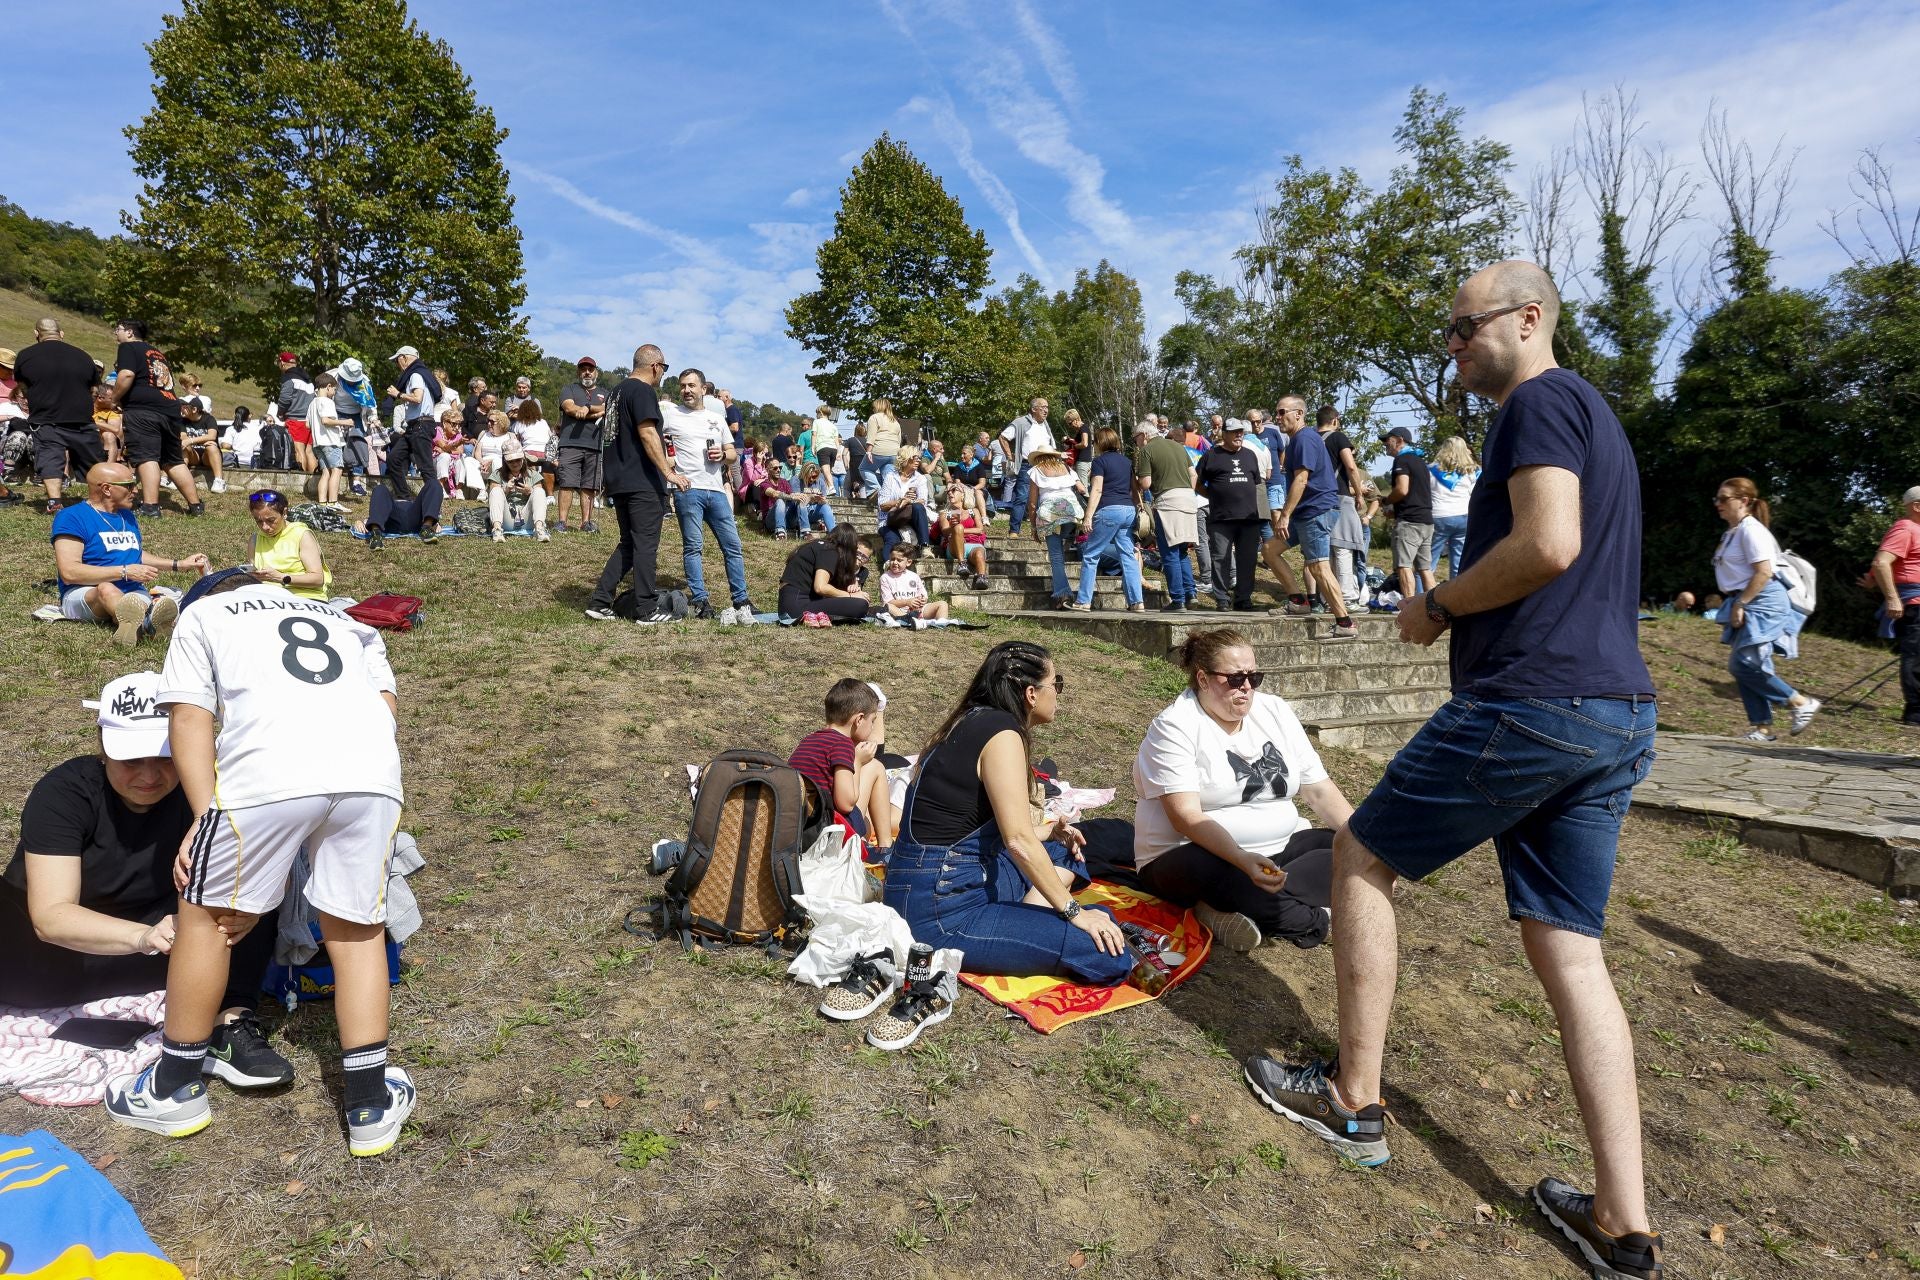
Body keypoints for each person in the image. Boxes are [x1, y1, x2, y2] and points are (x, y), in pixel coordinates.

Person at [1246, 261, 1666, 1280]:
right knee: (1570, 947)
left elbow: (1550, 544)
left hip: (1533, 701)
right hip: (1617, 712)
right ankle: (1622, 1220)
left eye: (1463, 327)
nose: (1453, 346)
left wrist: (1436, 604)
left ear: (1528, 319)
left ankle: (1352, 1099)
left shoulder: (1538, 402)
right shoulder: (1597, 417)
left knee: (1359, 853)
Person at [107, 570, 414, 1157]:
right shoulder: (345, 621)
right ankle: (370, 1101)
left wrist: (203, 817)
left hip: (267, 773)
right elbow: (384, 706)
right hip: (371, 773)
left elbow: (190, 717)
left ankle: (173, 1087)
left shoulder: (202, 614)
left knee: (205, 919)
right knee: (357, 930)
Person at [0, 673, 291, 1088]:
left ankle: (229, 1022)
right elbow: (51, 917)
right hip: (47, 962)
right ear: (102, 748)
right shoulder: (66, 793)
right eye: (131, 760)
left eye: (166, 758)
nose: (149, 776)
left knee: (243, 899)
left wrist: (246, 910)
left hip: (157, 949)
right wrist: (145, 937)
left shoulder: (207, 790)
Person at [882, 642, 1130, 984]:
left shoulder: (970, 722)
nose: (1058, 694)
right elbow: (1017, 841)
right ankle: (1026, 929)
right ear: (1031, 693)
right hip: (941, 910)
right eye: (1056, 685)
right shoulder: (1002, 735)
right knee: (1106, 953)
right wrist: (1075, 913)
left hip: (940, 880)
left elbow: (985, 830)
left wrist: (1049, 832)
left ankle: (1023, 927)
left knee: (1064, 848)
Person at [1132, 628, 1347, 951]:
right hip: (1193, 854)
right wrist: (1242, 859)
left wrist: (1366, 843)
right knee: (1220, 874)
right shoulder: (1175, 725)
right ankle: (1318, 919)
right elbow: (1186, 818)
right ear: (1203, 679)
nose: (1246, 687)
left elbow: (1319, 791)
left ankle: (1226, 907)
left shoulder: (1274, 711)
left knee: (1347, 847)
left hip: (1277, 848)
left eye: (1253, 677)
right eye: (1234, 679)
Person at [1711, 477, 1820, 741]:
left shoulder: (1751, 530)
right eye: (1716, 499)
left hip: (1762, 600)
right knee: (1751, 662)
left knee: (1743, 664)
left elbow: (1764, 572)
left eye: (1724, 498)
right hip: (1748, 598)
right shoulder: (1732, 532)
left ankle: (1799, 703)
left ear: (1744, 501)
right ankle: (1763, 727)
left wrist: (1741, 603)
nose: (1718, 504)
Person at [52, 463, 209, 646]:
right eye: (129, 485)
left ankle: (135, 622)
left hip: (132, 592)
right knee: (106, 588)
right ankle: (147, 624)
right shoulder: (72, 517)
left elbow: (134, 553)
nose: (136, 490)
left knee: (135, 600)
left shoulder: (126, 515)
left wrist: (178, 564)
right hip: (84, 593)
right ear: (106, 489)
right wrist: (124, 572)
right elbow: (70, 572)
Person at [587, 345, 680, 626]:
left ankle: (600, 602)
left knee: (629, 543)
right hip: (642, 481)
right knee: (645, 545)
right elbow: (648, 432)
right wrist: (668, 472)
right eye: (664, 369)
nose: (663, 374)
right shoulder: (642, 391)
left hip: (619, 479)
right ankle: (647, 609)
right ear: (655, 366)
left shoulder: (616, 393)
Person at [660, 368, 754, 621]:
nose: (686, 390)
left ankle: (741, 600)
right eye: (682, 386)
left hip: (716, 491)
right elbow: (649, 433)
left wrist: (723, 456)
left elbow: (733, 453)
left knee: (733, 546)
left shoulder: (716, 418)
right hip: (688, 490)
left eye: (691, 385)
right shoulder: (670, 413)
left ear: (704, 389)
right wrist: (668, 464)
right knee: (693, 547)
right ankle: (701, 601)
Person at [1274, 397, 1358, 639]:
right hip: (1306, 513)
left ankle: (1344, 622)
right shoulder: (1297, 441)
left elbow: (1302, 479)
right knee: (1270, 550)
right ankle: (1299, 601)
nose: (1278, 417)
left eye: (1282, 412)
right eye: (1277, 413)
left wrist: (1284, 515)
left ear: (1299, 413)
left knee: (1319, 566)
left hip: (1314, 512)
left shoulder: (1304, 439)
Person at [110, 320, 204, 519]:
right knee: (173, 460)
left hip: (143, 409)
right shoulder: (157, 353)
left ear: (128, 332)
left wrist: (114, 399)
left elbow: (126, 375)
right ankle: (196, 506)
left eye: (117, 330)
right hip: (170, 409)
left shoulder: (127, 347)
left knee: (147, 456)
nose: (115, 334)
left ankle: (150, 507)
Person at [790, 679, 897, 852]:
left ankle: (884, 845)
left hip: (801, 827)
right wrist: (857, 761)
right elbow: (846, 804)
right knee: (876, 767)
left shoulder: (808, 740)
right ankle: (885, 848)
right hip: (829, 833)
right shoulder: (842, 745)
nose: (871, 728)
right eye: (872, 721)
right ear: (859, 719)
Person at [15, 318, 104, 512]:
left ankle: (54, 502)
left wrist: (36, 398)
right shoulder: (83, 356)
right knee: (93, 461)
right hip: (81, 418)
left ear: (36, 333)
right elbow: (95, 389)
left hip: (45, 417)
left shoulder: (25, 355)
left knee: (50, 457)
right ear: (61, 334)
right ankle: (101, 501)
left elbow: (23, 386)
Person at [1062, 427, 1145, 613]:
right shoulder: (1127, 461)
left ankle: (1083, 601)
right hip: (1128, 510)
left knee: (1091, 555)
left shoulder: (1099, 462)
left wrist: (1088, 516)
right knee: (1128, 556)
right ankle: (1137, 602)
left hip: (1108, 510)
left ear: (1100, 443)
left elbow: (1097, 490)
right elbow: (1134, 489)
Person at [1195, 420, 1266, 612]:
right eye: (1234, 432)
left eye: (1241, 432)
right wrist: (1215, 496)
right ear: (1224, 434)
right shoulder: (1211, 456)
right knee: (1221, 559)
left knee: (1248, 560)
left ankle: (1243, 599)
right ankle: (1222, 599)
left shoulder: (1250, 455)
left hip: (1249, 518)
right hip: (1221, 518)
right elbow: (1198, 484)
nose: (1238, 435)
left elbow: (1257, 484)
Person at [1135, 421, 1200, 613]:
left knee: (1169, 551)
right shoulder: (1178, 447)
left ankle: (1178, 600)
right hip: (1188, 499)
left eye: (1136, 437)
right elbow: (1193, 474)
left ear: (1144, 435)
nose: (1136, 442)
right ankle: (1191, 595)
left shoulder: (1147, 450)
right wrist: (1188, 492)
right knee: (1182, 551)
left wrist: (1137, 479)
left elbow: (1146, 483)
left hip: (1168, 502)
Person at [1871, 485, 1920, 727]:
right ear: (1917, 506)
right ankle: (1916, 713)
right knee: (1916, 658)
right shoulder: (1905, 528)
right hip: (1913, 603)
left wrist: (1871, 580)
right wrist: (1892, 597)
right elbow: (1882, 562)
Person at [1317, 406, 1373, 603]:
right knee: (1344, 547)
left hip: (1316, 499)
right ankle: (1347, 597)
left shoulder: (1310, 439)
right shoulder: (1338, 438)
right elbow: (1350, 466)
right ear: (1335, 420)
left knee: (1325, 551)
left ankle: (1326, 597)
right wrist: (1358, 493)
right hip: (1339, 497)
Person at [1381, 426, 1437, 599]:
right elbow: (1416, 495)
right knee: (1425, 568)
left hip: (1409, 523)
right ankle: (1434, 608)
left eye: (1387, 440)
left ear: (1399, 440)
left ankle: (1409, 607)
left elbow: (1402, 490)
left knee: (1404, 566)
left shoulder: (1402, 460)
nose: (1385, 444)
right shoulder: (1420, 462)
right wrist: (1396, 511)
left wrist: (1386, 501)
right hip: (1426, 521)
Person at [1023, 448, 1084, 606]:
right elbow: (1082, 489)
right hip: (1072, 511)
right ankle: (1069, 540)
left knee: (1056, 556)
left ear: (1038, 458)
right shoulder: (1066, 467)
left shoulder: (1036, 470)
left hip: (1050, 513)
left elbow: (1031, 503)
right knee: (1064, 543)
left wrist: (1033, 527)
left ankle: (1063, 594)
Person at [778, 524, 870, 625]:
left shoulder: (819, 546)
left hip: (791, 603)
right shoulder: (829, 550)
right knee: (861, 605)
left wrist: (853, 587)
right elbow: (821, 587)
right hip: (796, 606)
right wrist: (852, 596)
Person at [554, 358, 607, 534]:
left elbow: (607, 409)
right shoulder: (569, 389)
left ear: (596, 372)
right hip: (570, 443)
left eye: (590, 369)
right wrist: (593, 413)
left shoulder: (604, 392)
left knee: (589, 486)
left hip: (595, 445)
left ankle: (586, 522)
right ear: (578, 372)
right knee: (567, 483)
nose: (587, 372)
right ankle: (562, 522)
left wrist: (587, 407)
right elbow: (569, 408)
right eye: (583, 369)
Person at [247, 490, 332, 599]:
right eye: (259, 521)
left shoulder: (301, 535)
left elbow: (318, 579)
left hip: (304, 598)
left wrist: (280, 577)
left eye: (271, 520)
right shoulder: (255, 539)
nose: (265, 527)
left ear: (285, 513)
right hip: (267, 598)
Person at [381, 346, 441, 495]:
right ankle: (405, 498)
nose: (397, 364)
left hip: (421, 425)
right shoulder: (420, 374)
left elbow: (417, 398)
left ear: (404, 358)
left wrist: (398, 394)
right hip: (413, 427)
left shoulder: (415, 375)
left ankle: (434, 506)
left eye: (397, 360)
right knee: (393, 460)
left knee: (426, 468)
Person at [1002, 397, 1055, 535]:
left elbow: (1052, 446)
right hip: (1027, 465)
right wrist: (1010, 456)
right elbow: (1003, 437)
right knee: (1022, 497)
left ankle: (1042, 531)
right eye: (1043, 407)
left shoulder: (1046, 425)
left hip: (1045, 466)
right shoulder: (1021, 422)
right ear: (1033, 409)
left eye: (1047, 407)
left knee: (1045, 498)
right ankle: (1014, 530)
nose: (1046, 410)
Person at [1428, 435, 1478, 580]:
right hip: (1464, 516)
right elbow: (1473, 494)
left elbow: (1425, 492)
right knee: (1458, 562)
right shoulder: (1471, 471)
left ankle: (1421, 597)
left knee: (1427, 563)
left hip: (1439, 517)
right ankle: (1455, 600)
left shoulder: (1431, 469)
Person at [488, 438, 551, 542]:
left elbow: (539, 499)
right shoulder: (497, 475)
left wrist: (529, 492)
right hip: (507, 518)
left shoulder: (533, 475)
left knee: (539, 491)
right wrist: (505, 490)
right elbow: (492, 499)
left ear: (523, 458)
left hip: (528, 518)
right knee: (496, 491)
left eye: (518, 459)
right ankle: (497, 530)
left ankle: (539, 529)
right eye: (510, 461)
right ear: (505, 460)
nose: (515, 463)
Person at [878, 452, 933, 563]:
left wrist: (910, 501)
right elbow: (882, 505)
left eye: (919, 458)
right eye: (915, 458)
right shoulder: (891, 477)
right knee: (893, 540)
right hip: (891, 519)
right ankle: (888, 565)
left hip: (911, 518)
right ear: (905, 459)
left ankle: (925, 547)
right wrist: (900, 501)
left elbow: (923, 501)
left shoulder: (920, 478)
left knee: (918, 506)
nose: (918, 461)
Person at [935, 483, 991, 590]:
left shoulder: (973, 511)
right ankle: (962, 563)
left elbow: (980, 529)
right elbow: (945, 532)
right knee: (958, 527)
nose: (950, 493)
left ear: (963, 495)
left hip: (972, 544)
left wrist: (959, 531)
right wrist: (955, 528)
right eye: (948, 492)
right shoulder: (944, 514)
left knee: (979, 553)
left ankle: (981, 577)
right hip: (953, 546)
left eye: (954, 490)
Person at [306, 372, 350, 508]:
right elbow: (326, 420)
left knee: (326, 472)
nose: (334, 393)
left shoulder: (312, 403)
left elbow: (307, 424)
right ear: (329, 386)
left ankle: (322, 502)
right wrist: (345, 422)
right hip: (330, 441)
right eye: (334, 390)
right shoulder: (327, 402)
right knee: (336, 470)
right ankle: (333, 502)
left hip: (317, 443)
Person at [360, 480, 443, 552]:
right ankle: (376, 536)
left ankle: (426, 529)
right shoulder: (386, 498)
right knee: (379, 488)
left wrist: (433, 522)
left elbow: (431, 504)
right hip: (392, 518)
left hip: (416, 517)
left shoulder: (418, 501)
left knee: (434, 483)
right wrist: (359, 522)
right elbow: (376, 512)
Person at [879, 545, 951, 625]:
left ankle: (940, 624)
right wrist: (907, 602)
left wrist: (922, 600)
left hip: (917, 611)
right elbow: (889, 601)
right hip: (899, 611)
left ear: (908, 562)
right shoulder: (885, 577)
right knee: (888, 606)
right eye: (892, 559)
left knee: (942, 604)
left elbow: (923, 595)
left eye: (899, 560)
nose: (895, 562)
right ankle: (911, 620)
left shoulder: (914, 576)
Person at [273, 351, 317, 475]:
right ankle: (313, 481)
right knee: (310, 452)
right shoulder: (307, 379)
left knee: (298, 450)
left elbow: (285, 399)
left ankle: (301, 480)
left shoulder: (288, 378)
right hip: (310, 420)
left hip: (296, 419)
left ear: (282, 362)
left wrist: (280, 412)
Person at [176, 397, 225, 497]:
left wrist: (191, 440)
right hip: (194, 455)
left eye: (185, 407)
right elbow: (183, 438)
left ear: (194, 409)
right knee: (184, 447)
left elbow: (212, 436)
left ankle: (219, 481)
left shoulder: (209, 419)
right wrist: (191, 441)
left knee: (211, 447)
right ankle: (180, 479)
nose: (182, 409)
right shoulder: (182, 421)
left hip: (208, 455)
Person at [512, 398, 555, 497]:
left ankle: (531, 490)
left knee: (528, 463)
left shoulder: (519, 424)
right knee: (546, 466)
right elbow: (550, 437)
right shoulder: (543, 422)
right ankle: (550, 495)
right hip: (545, 453)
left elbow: (516, 441)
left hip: (529, 453)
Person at [863, 398, 903, 498]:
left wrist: (868, 452)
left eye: (874, 407)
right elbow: (899, 439)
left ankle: (875, 489)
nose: (873, 409)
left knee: (864, 468)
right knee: (888, 474)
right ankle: (889, 495)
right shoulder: (895, 421)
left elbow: (871, 437)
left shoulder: (874, 417)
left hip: (879, 450)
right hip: (894, 452)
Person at [809, 407, 840, 495]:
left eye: (817, 413)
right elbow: (836, 439)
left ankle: (831, 487)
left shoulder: (817, 422)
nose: (816, 415)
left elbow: (814, 434)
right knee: (828, 471)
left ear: (821, 413)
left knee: (825, 470)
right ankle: (827, 489)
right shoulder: (833, 425)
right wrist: (838, 451)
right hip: (833, 449)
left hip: (823, 447)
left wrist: (813, 447)